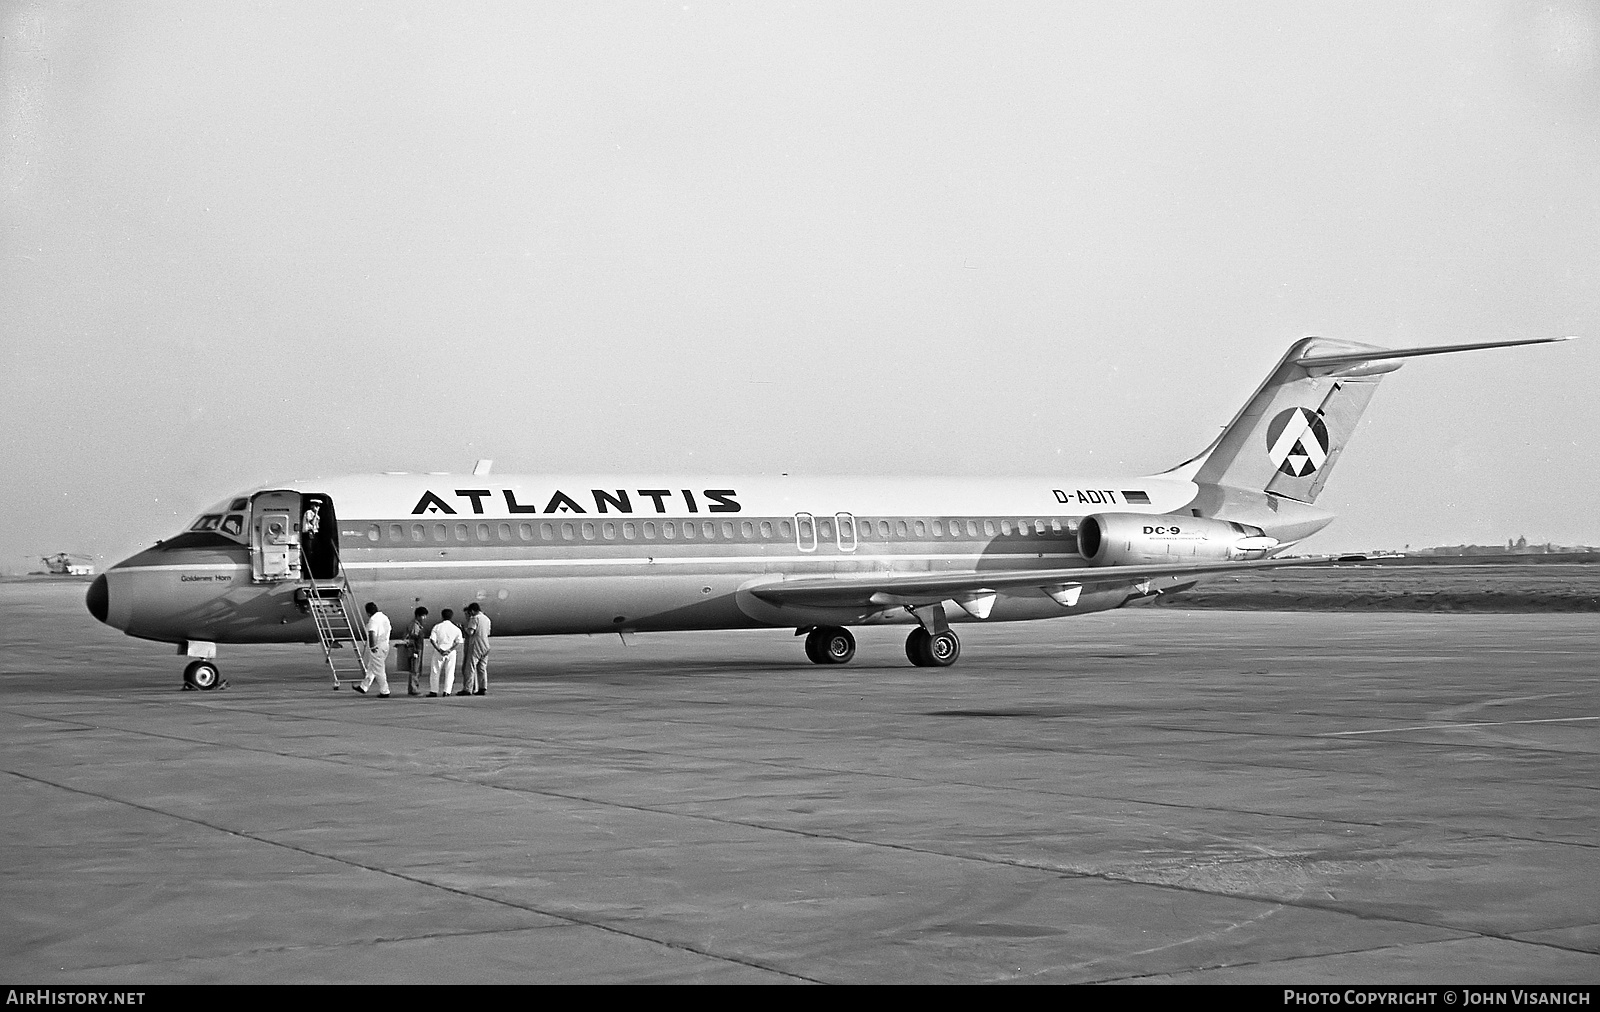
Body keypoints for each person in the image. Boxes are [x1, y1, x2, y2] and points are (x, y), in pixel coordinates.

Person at [354, 602, 391, 697]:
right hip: (385, 645)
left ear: (368, 612)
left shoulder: (373, 620)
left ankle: (385, 691)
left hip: (377, 646)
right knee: (371, 667)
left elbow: (372, 633)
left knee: (379, 670)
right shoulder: (384, 617)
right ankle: (364, 686)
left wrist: (372, 646)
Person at [427, 607, 463, 697]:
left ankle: (434, 691)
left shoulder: (437, 627)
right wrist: (450, 649)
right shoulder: (455, 628)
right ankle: (447, 691)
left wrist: (439, 649)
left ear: (442, 616)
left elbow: (432, 640)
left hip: (439, 650)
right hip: (451, 652)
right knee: (450, 672)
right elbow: (459, 642)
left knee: (435, 671)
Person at [461, 602, 492, 696]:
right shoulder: (487, 619)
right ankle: (483, 687)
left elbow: (470, 632)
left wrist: (463, 628)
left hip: (476, 645)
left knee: (470, 668)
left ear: (473, 611)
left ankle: (468, 689)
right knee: (482, 668)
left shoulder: (474, 618)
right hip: (486, 645)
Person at [403, 606, 428, 696]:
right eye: (423, 616)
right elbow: (413, 638)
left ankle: (413, 688)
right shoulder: (415, 625)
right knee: (415, 669)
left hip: (417, 649)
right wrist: (415, 651)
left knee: (415, 669)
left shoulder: (416, 624)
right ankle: (413, 688)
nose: (424, 618)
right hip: (415, 649)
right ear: (418, 616)